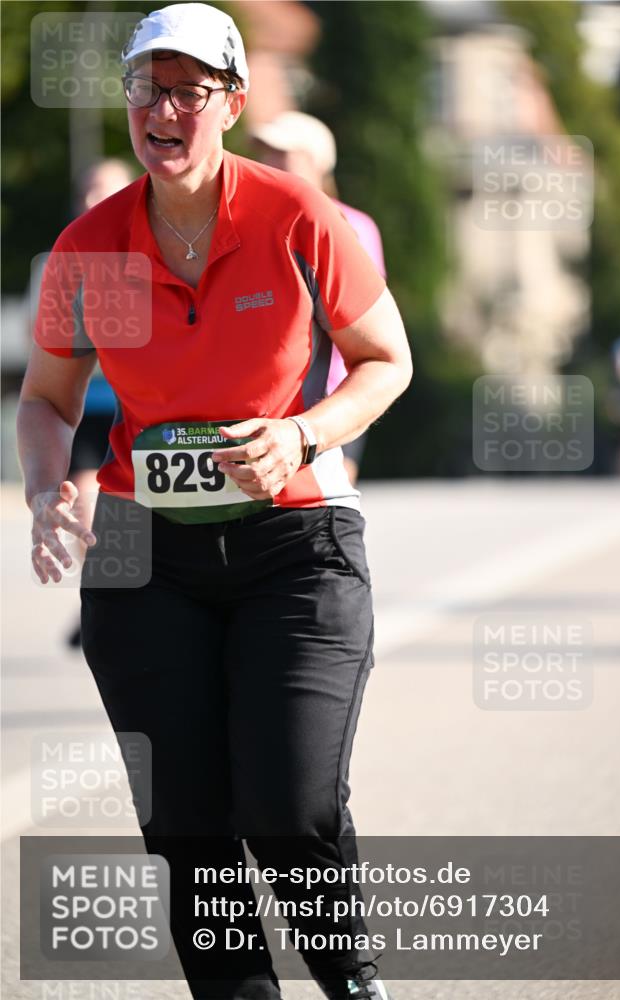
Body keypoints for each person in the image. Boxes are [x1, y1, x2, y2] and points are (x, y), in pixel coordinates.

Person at [17, 5, 412, 999]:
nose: (164, 108)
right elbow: (47, 400)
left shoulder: (293, 218)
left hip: (295, 539)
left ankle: (350, 979)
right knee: (187, 828)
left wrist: (301, 432)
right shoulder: (91, 248)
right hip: (142, 557)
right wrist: (47, 485)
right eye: (147, 88)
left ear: (231, 104)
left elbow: (384, 360)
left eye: (190, 90)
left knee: (287, 806)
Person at [249, 112, 387, 485]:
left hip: (334, 394)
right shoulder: (253, 224)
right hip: (271, 395)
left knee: (331, 496)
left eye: (283, 154)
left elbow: (365, 318)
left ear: (317, 162)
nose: (270, 163)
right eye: (266, 153)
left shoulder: (353, 226)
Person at [65, 159, 137, 647]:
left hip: (135, 407)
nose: (95, 200)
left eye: (107, 190)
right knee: (87, 510)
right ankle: (105, 598)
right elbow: (43, 345)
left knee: (133, 510)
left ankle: (125, 599)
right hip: (83, 410)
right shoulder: (61, 260)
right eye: (89, 190)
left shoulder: (152, 256)